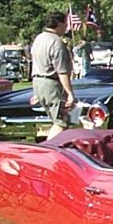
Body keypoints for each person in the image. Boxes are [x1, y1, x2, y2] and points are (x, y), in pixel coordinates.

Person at [30, 12, 75, 140]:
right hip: (51, 83)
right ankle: (49, 149)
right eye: (65, 23)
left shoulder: (39, 39)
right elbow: (62, 72)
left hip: (38, 82)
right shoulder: (56, 42)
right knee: (62, 121)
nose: (66, 26)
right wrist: (70, 94)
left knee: (55, 118)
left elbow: (35, 63)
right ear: (59, 24)